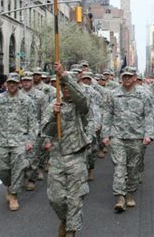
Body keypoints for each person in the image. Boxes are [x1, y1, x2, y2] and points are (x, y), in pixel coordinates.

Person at [42, 62, 91, 237]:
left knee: (75, 199)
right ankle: (65, 220)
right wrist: (53, 117)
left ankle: (71, 231)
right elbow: (45, 131)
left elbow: (82, 100)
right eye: (63, 86)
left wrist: (65, 75)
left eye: (69, 86)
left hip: (76, 156)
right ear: (60, 89)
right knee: (56, 199)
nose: (66, 89)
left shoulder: (80, 105)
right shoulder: (53, 106)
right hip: (57, 156)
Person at [102, 66, 154, 212]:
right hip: (117, 135)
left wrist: (148, 134)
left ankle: (130, 192)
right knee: (119, 166)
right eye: (124, 76)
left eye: (129, 76)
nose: (126, 79)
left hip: (136, 137)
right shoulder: (113, 94)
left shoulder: (144, 94)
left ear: (135, 78)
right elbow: (107, 114)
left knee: (133, 167)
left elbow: (149, 115)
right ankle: (120, 196)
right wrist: (105, 135)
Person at [0, 73, 38, 211]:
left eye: (15, 82)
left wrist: (30, 140)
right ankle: (9, 185)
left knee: (18, 167)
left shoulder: (26, 100)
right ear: (6, 84)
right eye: (10, 83)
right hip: (1, 140)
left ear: (18, 84)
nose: (12, 85)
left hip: (19, 140)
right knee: (0, 168)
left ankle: (13, 195)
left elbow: (33, 123)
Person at [20, 71, 48, 191]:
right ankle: (21, 176)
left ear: (32, 81)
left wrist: (44, 133)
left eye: (28, 80)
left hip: (35, 130)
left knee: (33, 156)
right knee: (20, 156)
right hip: (20, 130)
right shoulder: (17, 94)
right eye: (24, 81)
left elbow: (45, 114)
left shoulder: (40, 95)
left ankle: (31, 179)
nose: (26, 83)